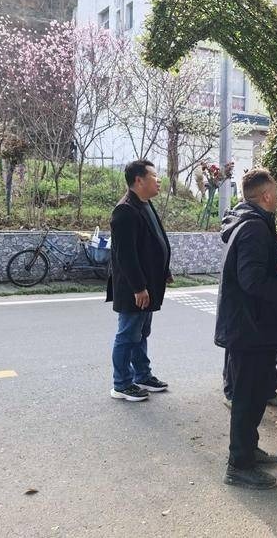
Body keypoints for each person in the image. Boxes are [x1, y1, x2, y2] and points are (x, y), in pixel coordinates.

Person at [215, 168, 277, 490]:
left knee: (254, 396)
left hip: (255, 326)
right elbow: (251, 278)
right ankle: (238, 465)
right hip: (249, 328)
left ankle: (248, 450)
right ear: (266, 195)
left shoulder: (251, 221)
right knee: (246, 398)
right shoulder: (253, 227)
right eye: (276, 190)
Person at [107, 159, 172, 402]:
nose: (159, 180)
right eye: (154, 176)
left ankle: (142, 375)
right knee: (127, 335)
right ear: (139, 180)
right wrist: (139, 287)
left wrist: (164, 270)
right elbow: (125, 255)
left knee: (141, 332)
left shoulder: (144, 204)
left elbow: (153, 242)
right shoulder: (125, 210)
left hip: (149, 283)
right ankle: (121, 384)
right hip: (135, 288)